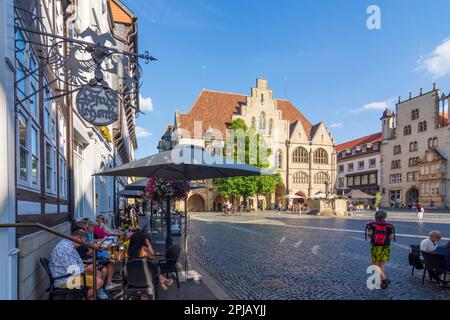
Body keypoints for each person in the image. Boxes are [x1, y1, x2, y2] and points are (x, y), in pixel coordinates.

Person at [49, 229, 109, 300]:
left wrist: (87, 266)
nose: (81, 245)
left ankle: (92, 296)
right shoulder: (66, 249)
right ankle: (85, 297)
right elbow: (72, 271)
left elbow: (74, 264)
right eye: (82, 243)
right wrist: (88, 268)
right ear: (78, 238)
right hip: (64, 280)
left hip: (69, 275)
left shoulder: (69, 245)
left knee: (98, 272)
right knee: (99, 282)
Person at [365, 210, 396, 289]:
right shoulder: (389, 226)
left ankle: (384, 279)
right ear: (385, 216)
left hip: (376, 247)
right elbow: (391, 237)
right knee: (381, 264)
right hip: (385, 247)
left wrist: (370, 234)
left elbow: (369, 235)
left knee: (375, 264)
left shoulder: (373, 225)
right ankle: (381, 281)